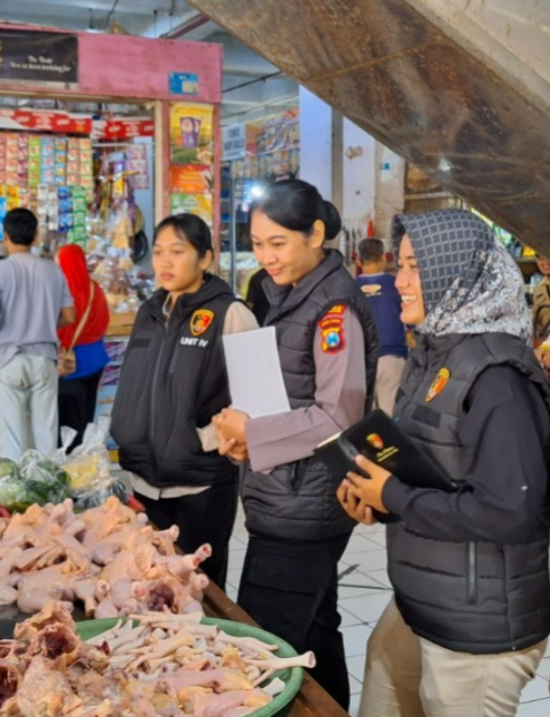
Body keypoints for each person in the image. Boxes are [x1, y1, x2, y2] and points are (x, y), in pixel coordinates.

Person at [338, 210, 550, 717]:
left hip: (477, 630)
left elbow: (510, 511)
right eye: (400, 266)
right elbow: (437, 475)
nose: (400, 282)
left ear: (458, 273)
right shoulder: (436, 355)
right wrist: (376, 496)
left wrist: (394, 496)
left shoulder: (498, 378)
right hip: (424, 602)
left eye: (416, 267)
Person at [213, 179, 379, 709]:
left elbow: (338, 414)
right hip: (287, 491)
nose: (266, 255)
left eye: (278, 243)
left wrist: (254, 434)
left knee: (261, 647)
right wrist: (249, 441)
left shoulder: (333, 309)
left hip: (304, 508)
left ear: (316, 234)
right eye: (258, 243)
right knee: (316, 630)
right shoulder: (288, 296)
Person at [111, 214, 258, 589]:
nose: (164, 261)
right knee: (149, 590)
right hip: (144, 481)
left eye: (178, 251)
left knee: (199, 592)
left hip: (201, 485)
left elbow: (260, 400)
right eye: (159, 252)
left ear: (205, 258)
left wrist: (211, 438)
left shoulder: (232, 313)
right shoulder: (148, 313)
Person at [0, 208, 75, 460]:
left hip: (6, 359)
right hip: (44, 359)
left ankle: (20, 498)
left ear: (5, 236)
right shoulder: (53, 271)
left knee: (13, 439)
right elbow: (69, 316)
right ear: (35, 236)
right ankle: (49, 493)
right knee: (46, 436)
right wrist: (42, 324)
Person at [55, 244, 110, 452]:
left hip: (71, 364)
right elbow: (105, 320)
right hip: (95, 359)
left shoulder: (64, 292)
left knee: (69, 426)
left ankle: (72, 466)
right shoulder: (95, 288)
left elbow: (62, 331)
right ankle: (84, 459)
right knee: (87, 416)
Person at [354, 237, 408, 415]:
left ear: (358, 261)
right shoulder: (395, 285)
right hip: (392, 357)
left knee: (365, 415)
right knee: (391, 411)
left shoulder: (350, 288)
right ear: (384, 258)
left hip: (361, 360)